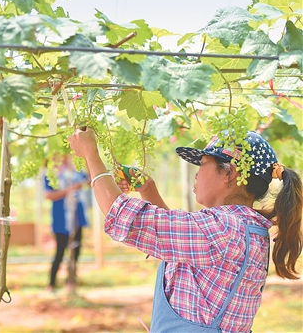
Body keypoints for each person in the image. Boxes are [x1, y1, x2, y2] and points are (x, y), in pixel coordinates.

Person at [68, 128, 302, 332]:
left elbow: (122, 214)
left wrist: (91, 154)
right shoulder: (244, 228)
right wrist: (148, 190)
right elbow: (182, 246)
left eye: (202, 165)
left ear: (229, 173)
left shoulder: (224, 229)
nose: (197, 174)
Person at [44, 154, 90, 292]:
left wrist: (88, 156)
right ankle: (51, 283)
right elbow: (49, 195)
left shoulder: (74, 170)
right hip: (61, 218)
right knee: (60, 251)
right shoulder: (51, 174)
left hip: (77, 217)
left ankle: (71, 282)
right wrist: (69, 190)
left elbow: (88, 180)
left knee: (76, 251)